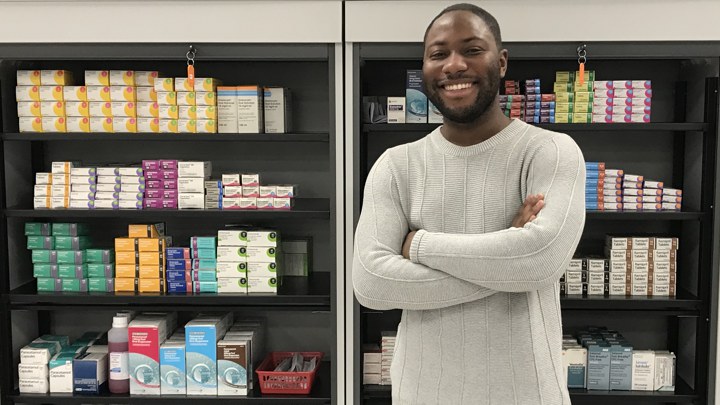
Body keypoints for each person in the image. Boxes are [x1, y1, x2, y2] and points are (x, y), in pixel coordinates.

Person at [352, 3, 586, 404]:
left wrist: (418, 246)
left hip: (527, 393)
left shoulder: (549, 151)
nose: (453, 65)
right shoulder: (396, 165)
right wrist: (507, 252)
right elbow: (372, 284)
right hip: (422, 393)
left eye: (472, 50)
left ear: (502, 62)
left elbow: (541, 259)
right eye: (438, 54)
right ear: (424, 68)